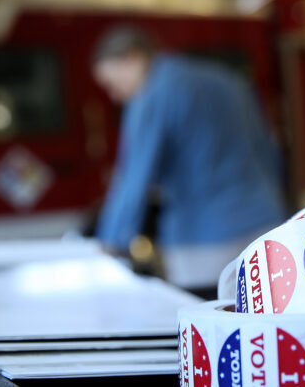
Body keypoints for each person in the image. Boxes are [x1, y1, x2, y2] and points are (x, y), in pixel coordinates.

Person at [92, 25, 287, 294]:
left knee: (208, 326)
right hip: (265, 227)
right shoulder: (229, 80)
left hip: (202, 244)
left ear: (132, 58)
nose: (115, 95)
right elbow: (268, 151)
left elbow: (134, 176)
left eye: (112, 84)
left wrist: (110, 242)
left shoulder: (153, 92)